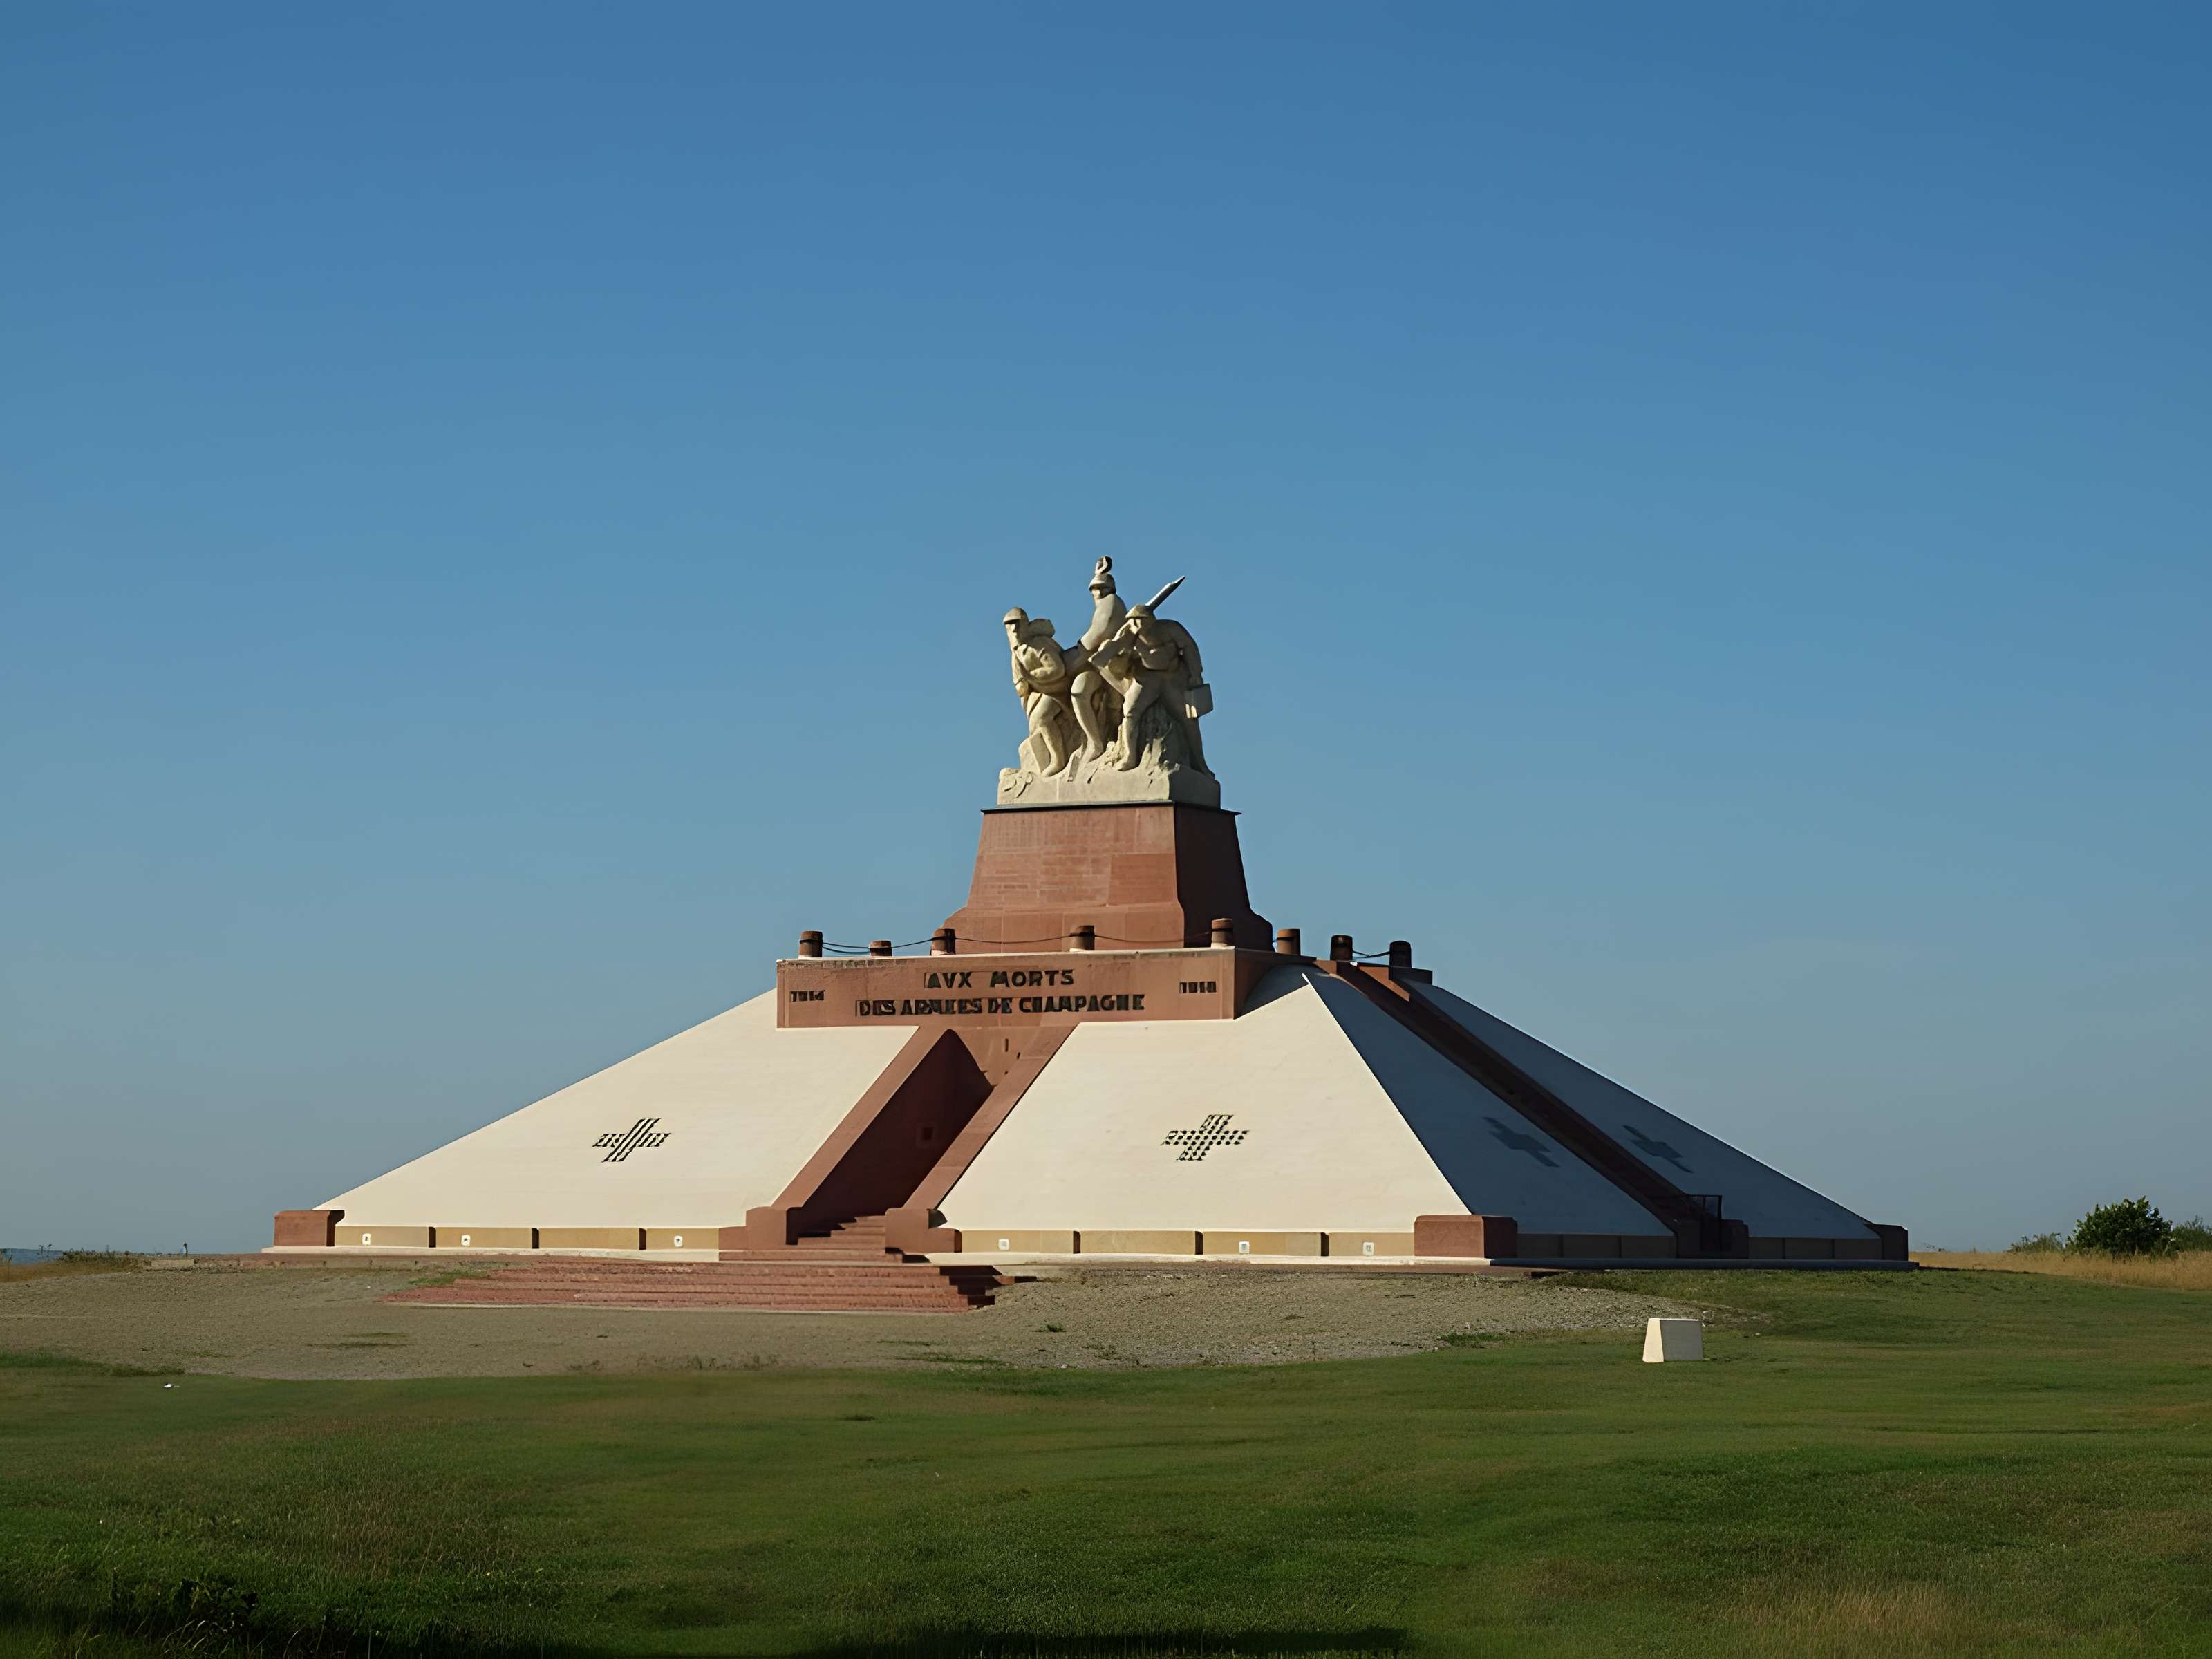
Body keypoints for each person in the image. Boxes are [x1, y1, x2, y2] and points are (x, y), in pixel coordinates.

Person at [1002, 608, 1076, 776]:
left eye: (1017, 624)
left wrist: (1032, 677)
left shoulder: (1038, 644)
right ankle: (1036, 768)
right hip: (1043, 691)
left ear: (1026, 625)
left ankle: (1058, 761)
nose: (1014, 629)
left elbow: (1057, 669)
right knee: (1035, 727)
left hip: (1060, 689)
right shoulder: (1017, 652)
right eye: (1009, 625)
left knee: (1042, 718)